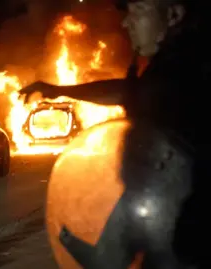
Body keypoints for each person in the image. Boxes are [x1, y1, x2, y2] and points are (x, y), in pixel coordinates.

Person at [34, 0, 210, 268]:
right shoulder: (165, 66)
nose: (127, 22)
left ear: (174, 14)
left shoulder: (189, 71)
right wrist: (62, 91)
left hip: (181, 227)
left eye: (138, 10)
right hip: (154, 210)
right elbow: (127, 92)